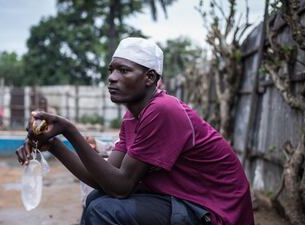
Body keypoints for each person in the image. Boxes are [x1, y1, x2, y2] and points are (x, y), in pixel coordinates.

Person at [17, 37, 254, 225]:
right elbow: (106, 179)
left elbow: (121, 187)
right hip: (184, 200)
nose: (112, 78)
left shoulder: (163, 109)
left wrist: (69, 130)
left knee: (104, 210)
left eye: (123, 70)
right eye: (111, 70)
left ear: (150, 77)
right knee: (95, 199)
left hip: (213, 211)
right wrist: (54, 144)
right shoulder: (133, 115)